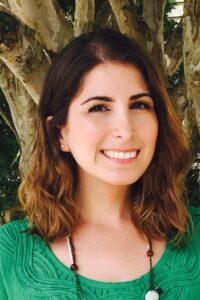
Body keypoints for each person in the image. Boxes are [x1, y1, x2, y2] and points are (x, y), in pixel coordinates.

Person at [0, 29, 199, 300]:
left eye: (139, 105)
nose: (125, 130)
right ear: (60, 133)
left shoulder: (194, 237)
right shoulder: (9, 255)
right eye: (98, 108)